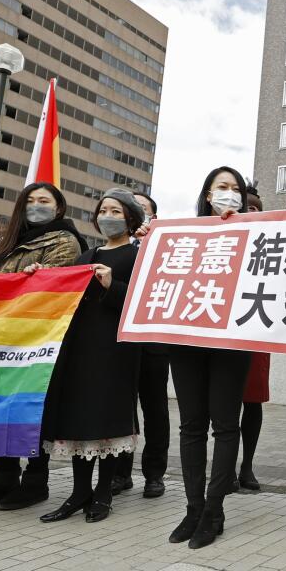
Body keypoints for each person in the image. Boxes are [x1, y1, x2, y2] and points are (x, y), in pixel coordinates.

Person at [0, 182, 86, 511]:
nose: (36, 205)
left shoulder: (64, 240)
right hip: (2, 339)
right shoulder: (10, 241)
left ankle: (35, 481)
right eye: (30, 200)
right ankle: (3, 477)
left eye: (44, 200)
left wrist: (37, 277)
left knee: (33, 409)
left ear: (58, 208)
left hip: (39, 341)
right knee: (0, 405)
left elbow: (57, 287)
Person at [39, 189, 143, 523]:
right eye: (102, 210)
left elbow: (143, 300)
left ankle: (103, 493)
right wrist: (41, 275)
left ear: (130, 217)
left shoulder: (138, 255)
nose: (107, 216)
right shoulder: (87, 255)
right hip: (79, 347)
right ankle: (79, 491)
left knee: (105, 419)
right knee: (79, 418)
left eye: (115, 210)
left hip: (116, 349)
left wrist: (112, 285)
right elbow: (61, 291)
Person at [167, 166, 251, 549]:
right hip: (186, 340)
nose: (229, 194)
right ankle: (193, 506)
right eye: (222, 187)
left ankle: (215, 509)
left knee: (226, 426)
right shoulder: (182, 234)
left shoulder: (258, 231)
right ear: (206, 194)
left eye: (236, 189)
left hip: (232, 341)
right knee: (191, 426)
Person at [113, 191, 170, 499]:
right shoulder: (114, 247)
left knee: (155, 409)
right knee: (121, 408)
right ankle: (120, 473)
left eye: (142, 209)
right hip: (119, 340)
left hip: (152, 342)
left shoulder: (165, 245)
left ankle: (154, 474)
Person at [236, 185, 269, 493]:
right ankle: (225, 466)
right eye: (244, 206)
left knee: (253, 400)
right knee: (225, 404)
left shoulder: (270, 241)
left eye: (256, 207)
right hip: (225, 330)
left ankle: (247, 465)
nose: (250, 211)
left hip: (255, 326)